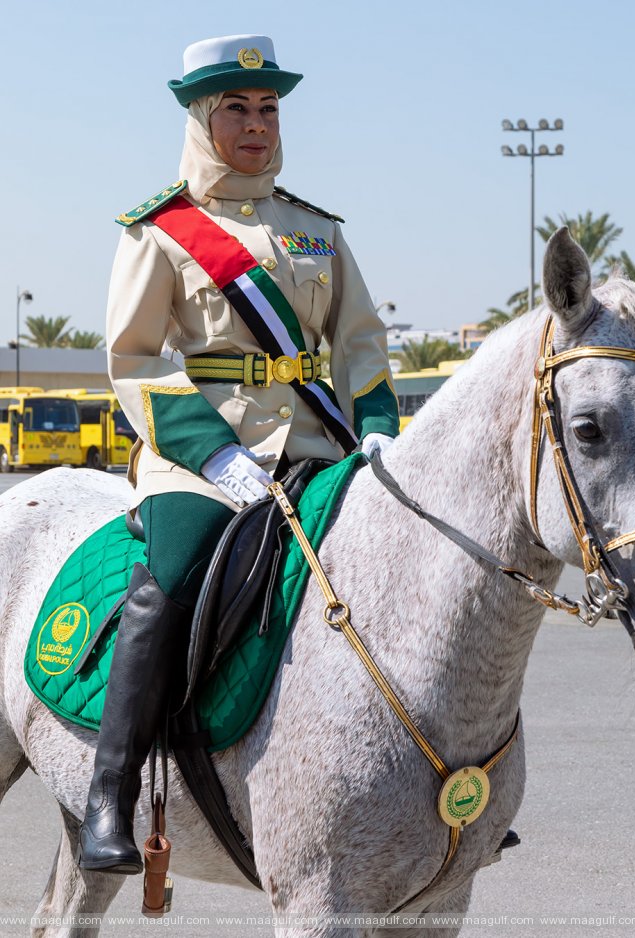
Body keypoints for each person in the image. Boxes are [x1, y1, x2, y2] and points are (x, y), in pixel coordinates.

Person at [77, 34, 399, 874]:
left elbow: (360, 345)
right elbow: (135, 360)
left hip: (320, 447)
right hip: (203, 461)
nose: (256, 125)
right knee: (171, 580)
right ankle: (107, 796)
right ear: (200, 118)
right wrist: (215, 457)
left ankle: (432, 784)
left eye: (268, 109)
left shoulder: (317, 230)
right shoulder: (160, 233)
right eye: (236, 109)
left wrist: (375, 432)